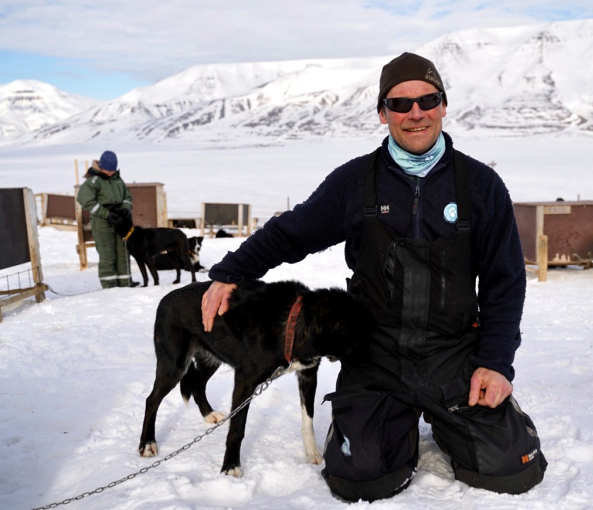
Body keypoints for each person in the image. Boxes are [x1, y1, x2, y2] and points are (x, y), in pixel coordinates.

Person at [201, 52, 547, 502]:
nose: (415, 113)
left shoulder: (480, 186)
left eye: (427, 100)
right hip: (375, 352)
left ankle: (451, 422)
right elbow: (292, 232)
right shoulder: (355, 183)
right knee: (358, 476)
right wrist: (230, 274)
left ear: (444, 105)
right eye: (400, 104)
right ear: (382, 113)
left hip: (454, 352)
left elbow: (505, 282)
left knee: (509, 470)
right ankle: (379, 423)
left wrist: (496, 363)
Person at [76, 150, 135, 288]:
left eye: (112, 170)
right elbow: (85, 200)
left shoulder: (118, 180)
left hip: (120, 222)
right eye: (107, 170)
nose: (110, 172)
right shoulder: (93, 181)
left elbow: (128, 196)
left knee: (123, 252)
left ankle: (126, 283)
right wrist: (106, 214)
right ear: (101, 166)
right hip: (102, 222)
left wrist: (126, 209)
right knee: (107, 254)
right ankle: (110, 287)